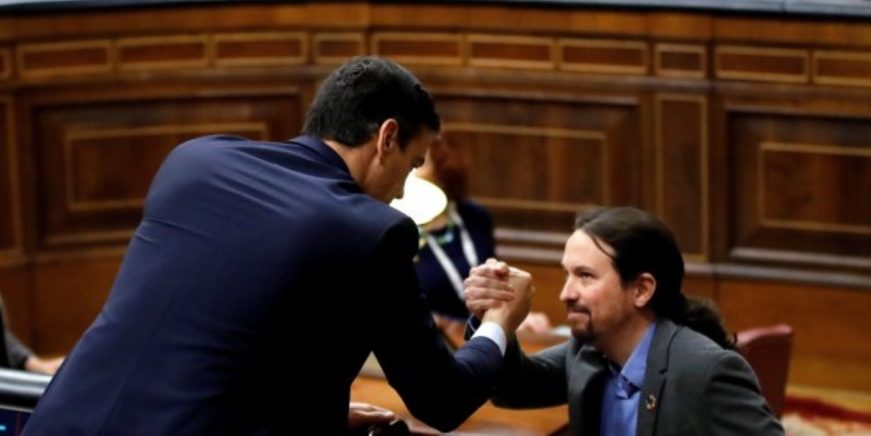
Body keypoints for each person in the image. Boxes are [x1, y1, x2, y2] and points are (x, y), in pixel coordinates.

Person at [23, 56, 534, 435]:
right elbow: (440, 401)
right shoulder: (371, 231)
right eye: (412, 161)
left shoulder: (195, 162)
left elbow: (216, 339)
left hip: (62, 420)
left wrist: (313, 418)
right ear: (386, 137)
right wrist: (497, 325)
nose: (404, 188)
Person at [464, 206, 784, 435]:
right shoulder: (587, 352)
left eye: (585, 276)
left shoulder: (704, 370)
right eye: (567, 274)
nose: (565, 294)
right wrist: (495, 318)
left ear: (642, 290)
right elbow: (513, 389)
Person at [411, 133, 550, 333]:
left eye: (419, 164)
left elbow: (495, 281)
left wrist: (518, 317)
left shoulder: (473, 216)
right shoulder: (398, 228)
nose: (411, 176)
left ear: (442, 169)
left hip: (484, 328)